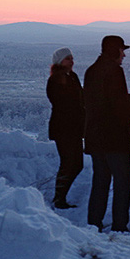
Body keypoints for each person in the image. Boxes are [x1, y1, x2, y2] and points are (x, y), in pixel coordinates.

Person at [83, 35, 130, 232]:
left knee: (100, 182)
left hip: (95, 137)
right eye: (122, 51)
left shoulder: (91, 71)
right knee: (122, 182)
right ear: (114, 51)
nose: (124, 55)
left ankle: (94, 223)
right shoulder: (115, 72)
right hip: (115, 138)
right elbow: (119, 105)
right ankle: (120, 225)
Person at [46, 47, 85, 209]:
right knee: (69, 163)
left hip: (74, 128)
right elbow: (62, 103)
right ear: (60, 61)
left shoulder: (72, 77)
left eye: (72, 58)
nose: (72, 61)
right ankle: (59, 198)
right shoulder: (55, 80)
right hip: (64, 129)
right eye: (68, 58)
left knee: (76, 164)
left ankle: (60, 197)